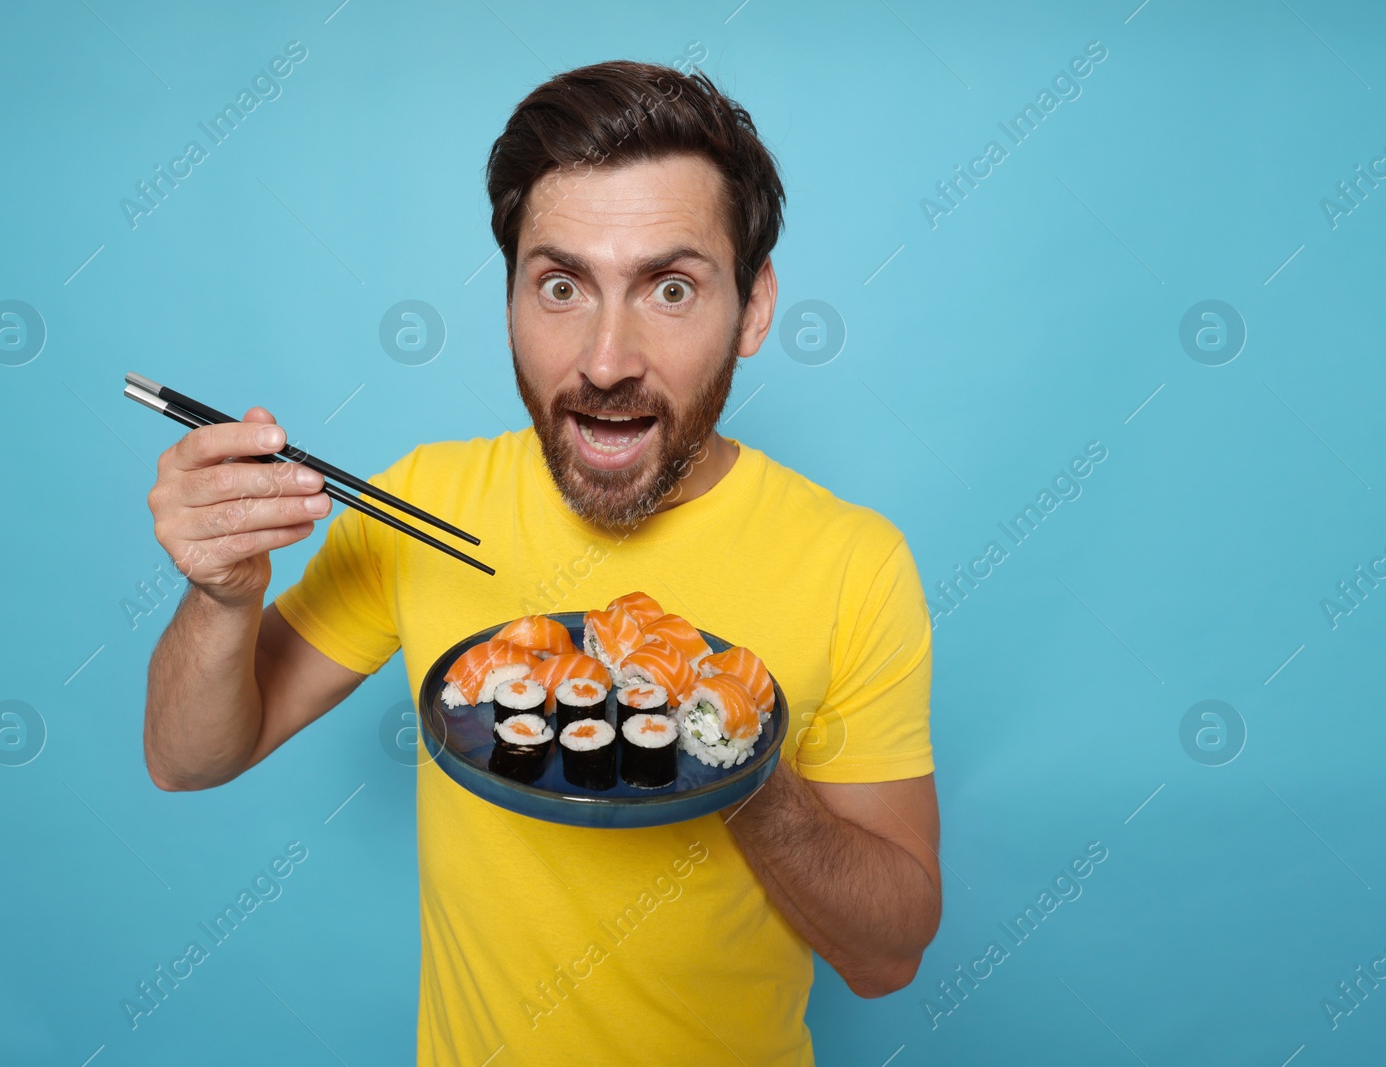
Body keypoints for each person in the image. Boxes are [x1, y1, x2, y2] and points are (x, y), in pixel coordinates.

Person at [142, 59, 940, 1066]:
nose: (606, 359)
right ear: (509, 292)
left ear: (753, 307)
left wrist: (731, 758)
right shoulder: (422, 501)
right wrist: (220, 595)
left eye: (671, 287)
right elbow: (187, 757)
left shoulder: (852, 561)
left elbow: (889, 956)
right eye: (560, 285)